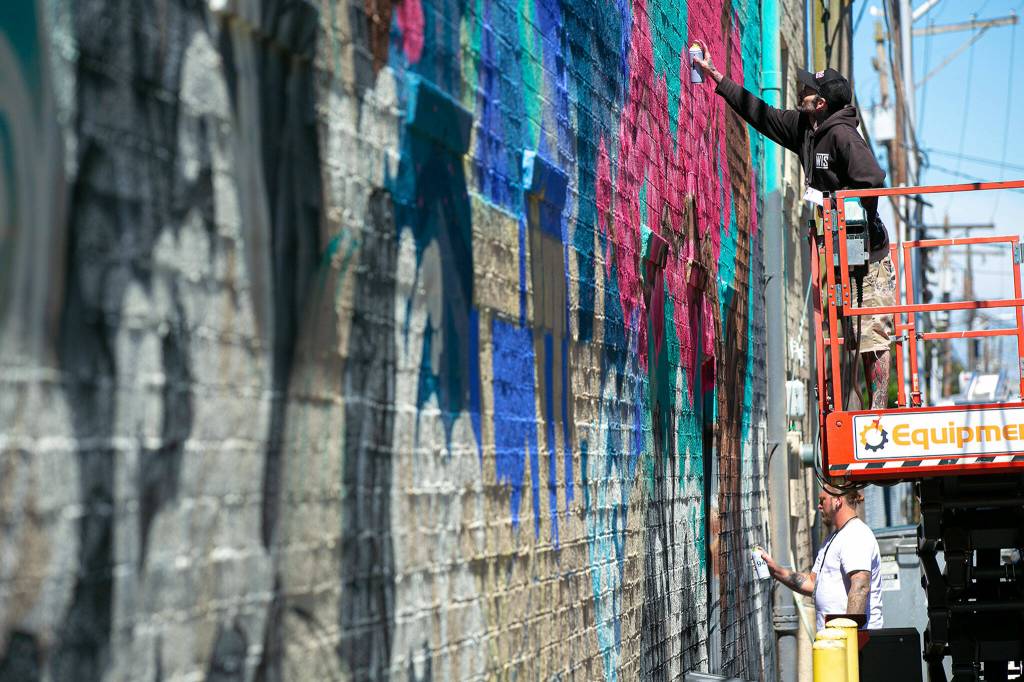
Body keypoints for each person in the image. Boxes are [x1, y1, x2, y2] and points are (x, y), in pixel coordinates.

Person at [692, 46, 895, 410]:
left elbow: (873, 180)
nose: (798, 90)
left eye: (805, 90)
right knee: (845, 335)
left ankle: (878, 414)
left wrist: (847, 211)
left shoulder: (843, 136)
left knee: (872, 336)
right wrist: (716, 78)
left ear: (820, 104)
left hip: (867, 255)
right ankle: (852, 411)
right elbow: (762, 115)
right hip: (836, 255)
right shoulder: (806, 129)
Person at [760, 485, 883, 631]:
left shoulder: (854, 534)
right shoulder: (833, 538)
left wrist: (850, 638)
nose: (819, 506)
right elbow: (813, 583)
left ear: (837, 501)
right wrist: (775, 571)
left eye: (822, 500)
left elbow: (860, 586)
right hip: (835, 641)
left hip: (853, 644)